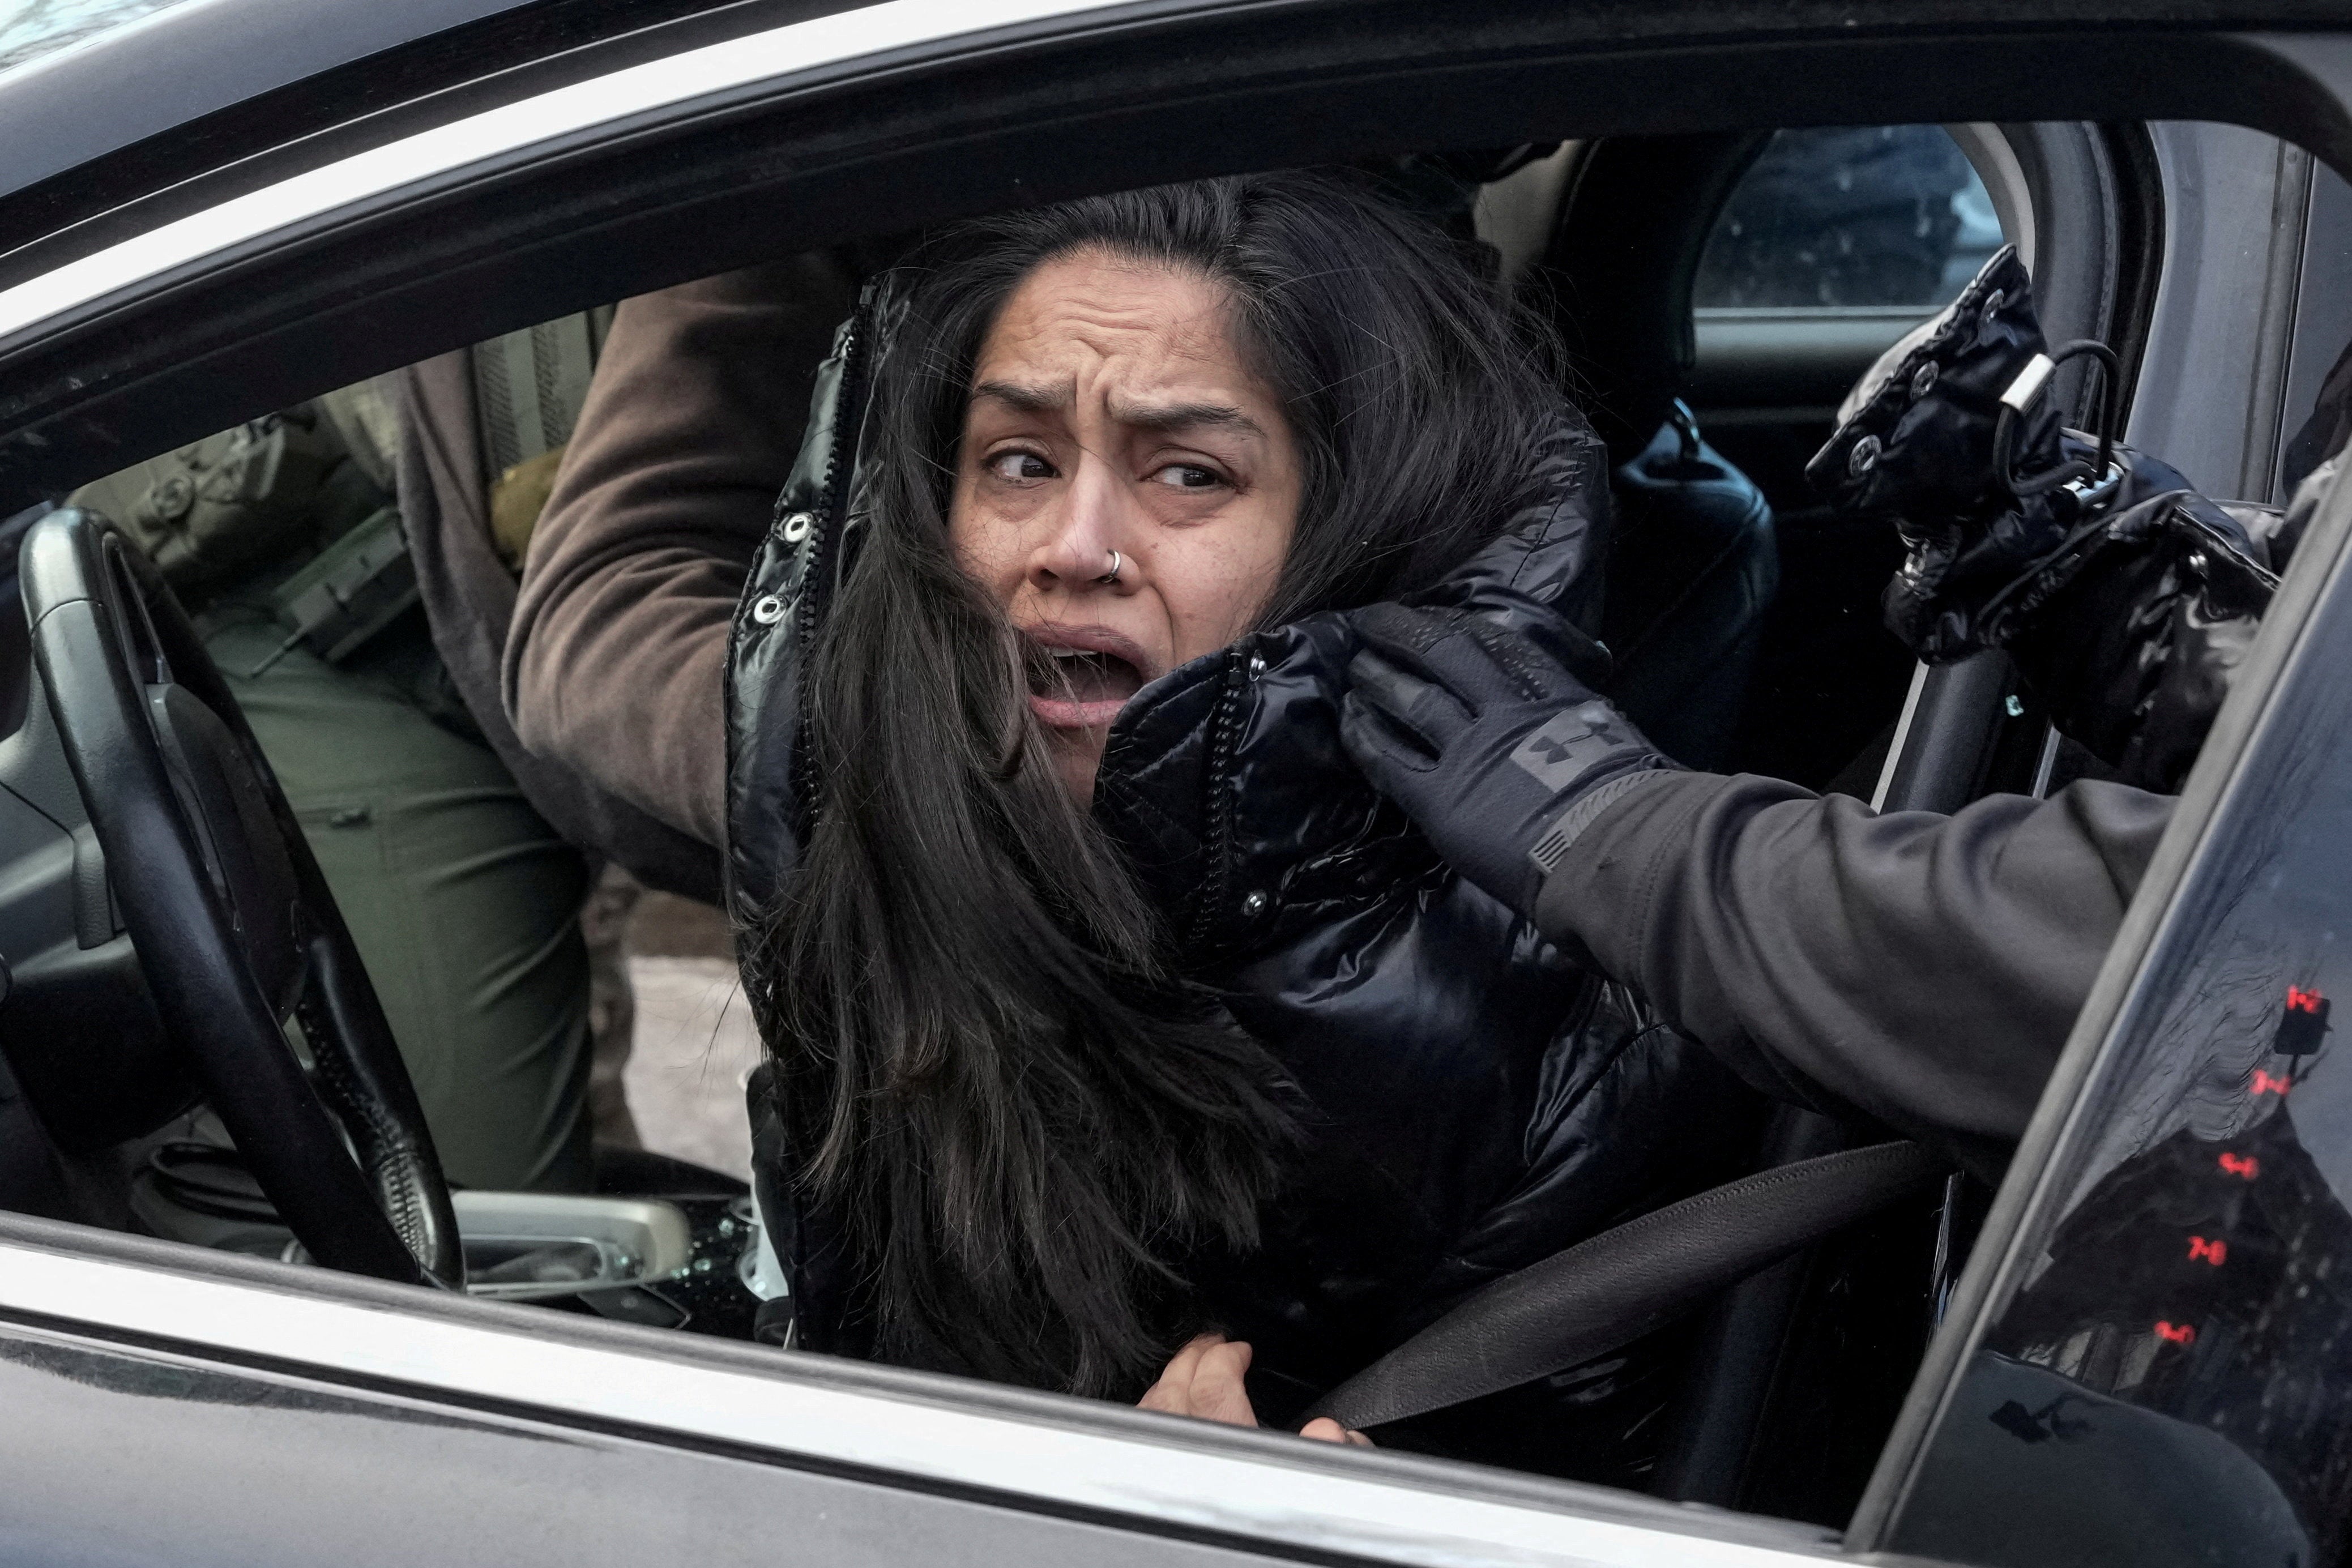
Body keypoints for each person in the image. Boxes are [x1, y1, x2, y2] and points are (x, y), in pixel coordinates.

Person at [511, 171, 1770, 1479]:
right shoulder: (891, 863)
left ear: (1355, 538)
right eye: (1019, 461)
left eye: (1187, 473)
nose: (1074, 545)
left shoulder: (1549, 1068)